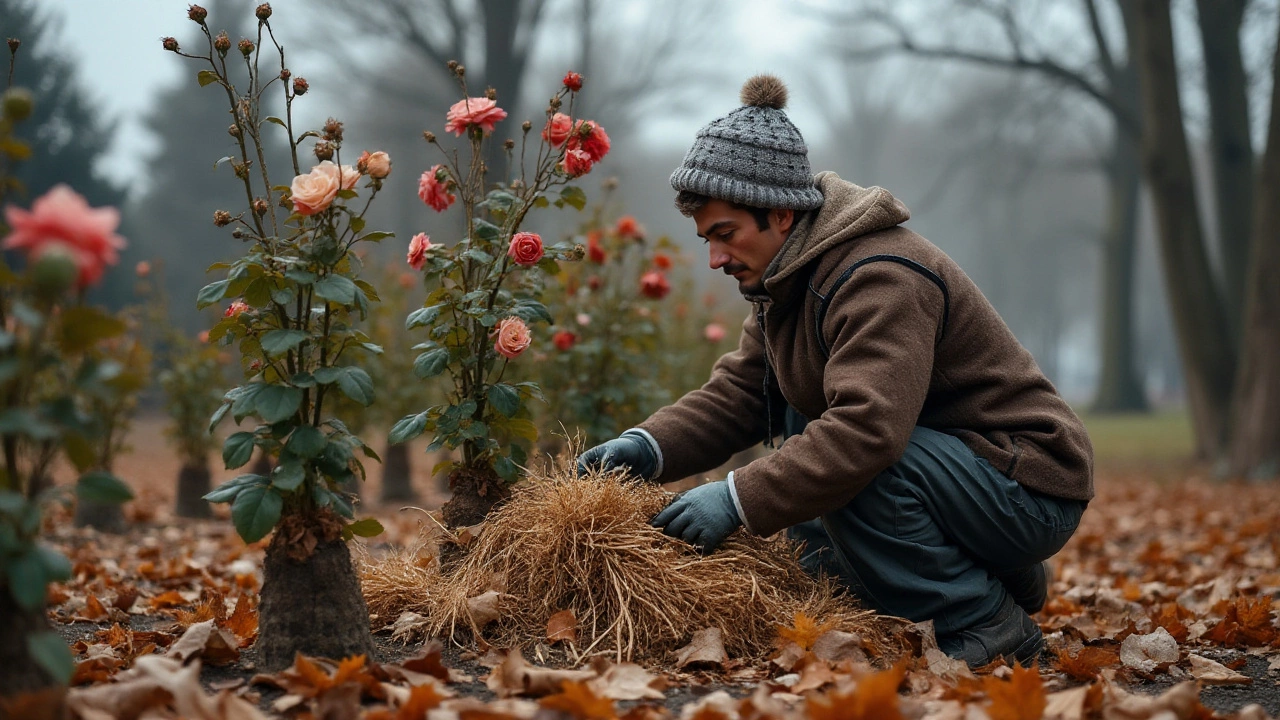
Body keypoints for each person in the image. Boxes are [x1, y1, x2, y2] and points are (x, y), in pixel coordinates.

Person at [575, 74, 1093, 668]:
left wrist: (737, 497)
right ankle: (994, 570)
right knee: (815, 541)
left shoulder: (881, 275)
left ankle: (983, 621)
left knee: (854, 461)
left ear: (782, 216)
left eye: (726, 234)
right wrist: (647, 447)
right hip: (963, 472)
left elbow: (868, 432)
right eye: (705, 239)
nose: (714, 257)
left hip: (1026, 480)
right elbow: (742, 393)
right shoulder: (785, 282)